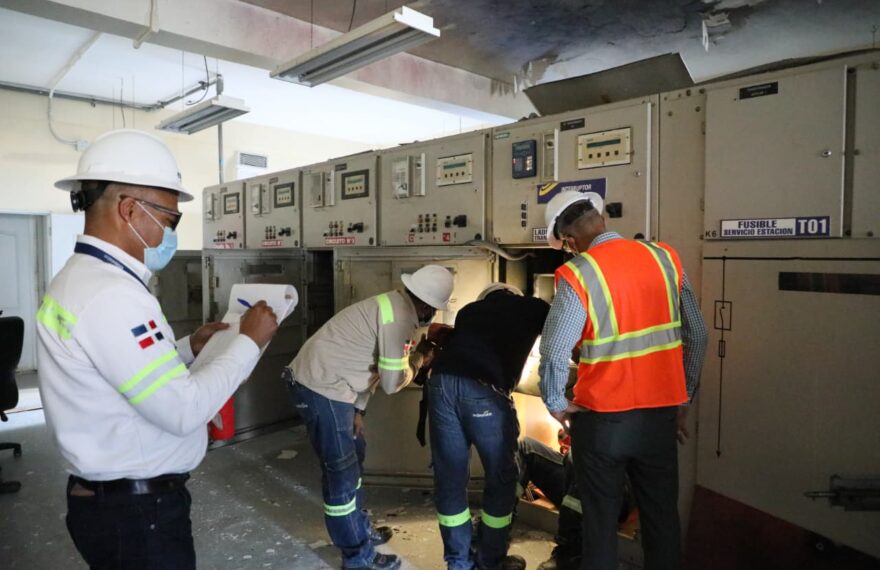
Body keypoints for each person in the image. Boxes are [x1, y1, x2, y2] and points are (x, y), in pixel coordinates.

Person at [36, 128, 280, 569]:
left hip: (115, 505)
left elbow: (115, 369)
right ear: (129, 209)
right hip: (136, 515)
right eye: (170, 219)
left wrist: (188, 348)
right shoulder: (111, 294)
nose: (169, 232)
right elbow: (183, 411)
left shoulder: (81, 278)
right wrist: (249, 341)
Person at [538, 190, 708, 570]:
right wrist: (684, 398)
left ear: (569, 240)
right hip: (660, 418)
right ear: (602, 219)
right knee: (661, 519)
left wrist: (556, 403)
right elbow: (698, 335)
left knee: (599, 525)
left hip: (603, 424)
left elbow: (555, 350)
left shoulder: (579, 273)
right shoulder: (664, 258)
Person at [284, 265, 454, 570]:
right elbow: (390, 382)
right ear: (428, 306)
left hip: (337, 387)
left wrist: (359, 410)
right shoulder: (399, 319)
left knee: (355, 453)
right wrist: (418, 360)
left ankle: (359, 530)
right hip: (322, 388)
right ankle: (357, 557)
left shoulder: (394, 304)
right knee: (341, 472)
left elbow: (368, 366)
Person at [427, 283, 550, 570]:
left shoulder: (469, 311)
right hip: (483, 389)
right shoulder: (533, 307)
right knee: (501, 477)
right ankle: (490, 559)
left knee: (450, 478)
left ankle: (458, 562)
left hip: (441, 384)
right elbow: (560, 335)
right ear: (514, 294)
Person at [517, 436, 635, 570]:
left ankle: (568, 555)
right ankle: (499, 541)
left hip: (615, 491)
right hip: (577, 481)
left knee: (580, 455)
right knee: (526, 448)